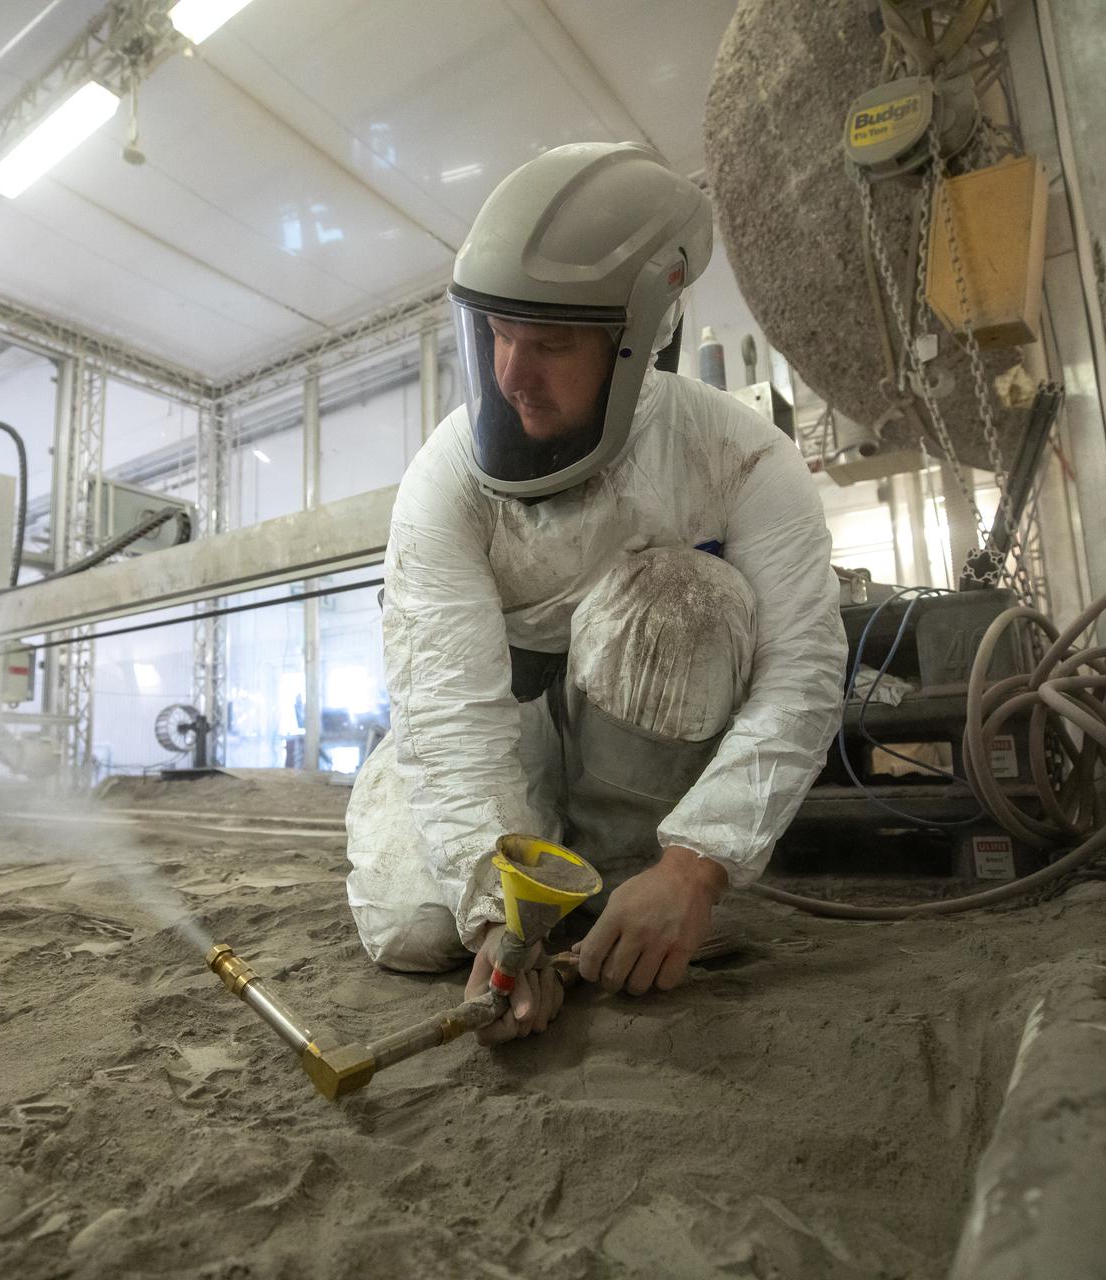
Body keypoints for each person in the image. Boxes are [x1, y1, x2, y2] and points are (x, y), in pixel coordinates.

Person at [345, 142, 847, 1044]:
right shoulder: (447, 476)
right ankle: (544, 886)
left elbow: (801, 672)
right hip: (503, 721)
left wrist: (698, 864)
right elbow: (448, 706)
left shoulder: (741, 456)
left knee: (686, 598)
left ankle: (627, 876)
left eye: (549, 344)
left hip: (641, 753)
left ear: (640, 334)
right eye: (497, 335)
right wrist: (496, 915)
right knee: (419, 933)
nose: (510, 374)